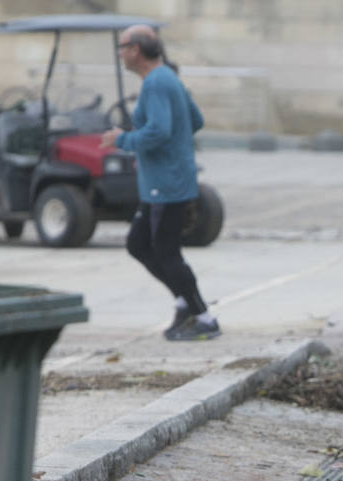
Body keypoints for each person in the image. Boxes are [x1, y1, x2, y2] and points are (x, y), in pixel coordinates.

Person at [100, 25, 219, 341]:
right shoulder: (168, 78)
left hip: (165, 184)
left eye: (122, 47)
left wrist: (121, 138)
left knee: (166, 252)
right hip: (164, 180)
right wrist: (175, 151)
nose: (120, 54)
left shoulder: (155, 84)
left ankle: (204, 316)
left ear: (135, 50)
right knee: (138, 244)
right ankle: (182, 301)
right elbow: (195, 120)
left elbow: (158, 131)